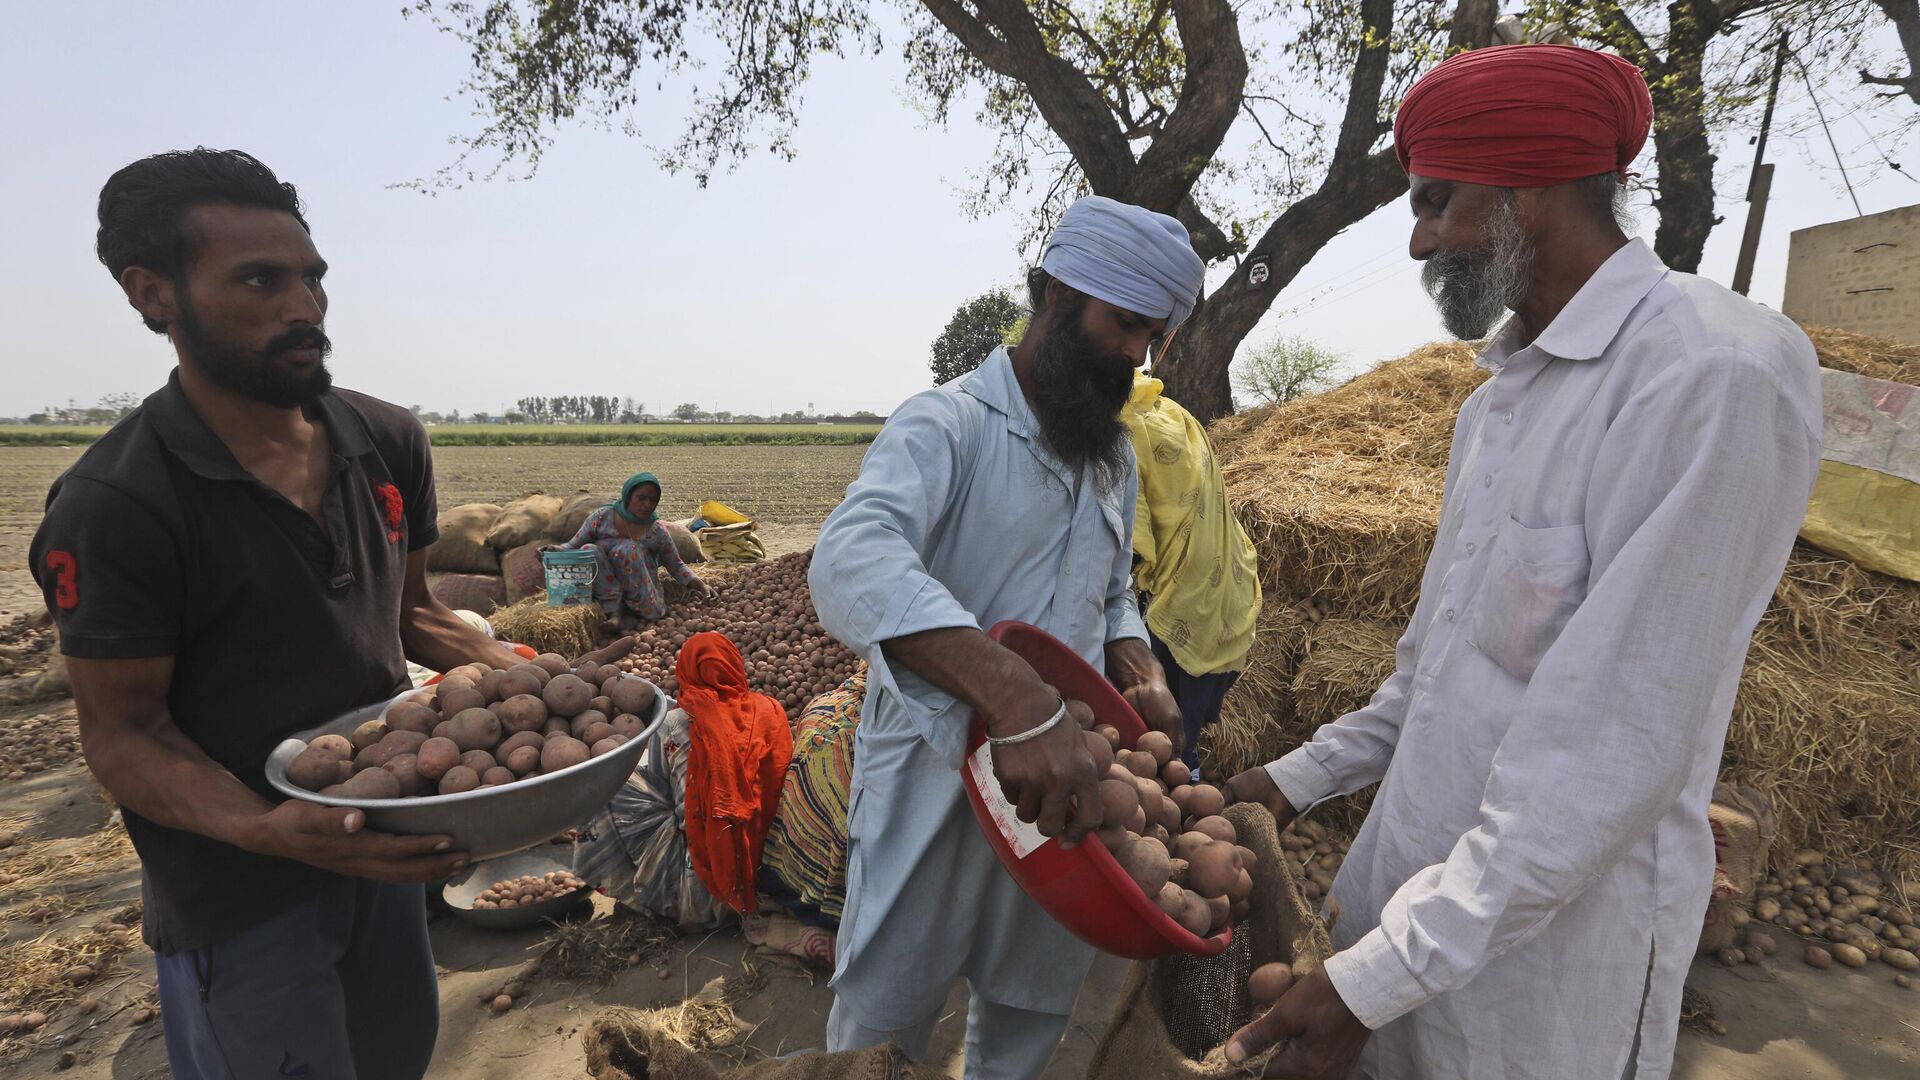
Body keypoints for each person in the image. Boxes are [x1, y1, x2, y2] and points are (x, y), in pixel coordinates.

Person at [1221, 45, 1822, 1080]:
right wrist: (1288, 779)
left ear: (1530, 189)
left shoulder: (1709, 373)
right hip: (1409, 926)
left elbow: (1611, 748)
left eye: (1434, 201)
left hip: (1538, 983)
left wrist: (1379, 977)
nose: (1418, 241)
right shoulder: (1496, 407)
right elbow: (1437, 677)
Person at [29, 148, 628, 1080]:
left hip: (386, 853)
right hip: (239, 891)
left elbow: (413, 615)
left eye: (311, 277)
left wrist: (523, 670)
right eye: (260, 281)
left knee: (397, 1057)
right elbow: (123, 735)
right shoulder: (117, 504)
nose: (303, 307)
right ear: (153, 296)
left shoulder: (386, 439)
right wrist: (267, 827)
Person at [809, 195, 1202, 1079]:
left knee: (1027, 1016)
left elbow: (1109, 599)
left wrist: (1138, 663)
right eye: (1125, 325)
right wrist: (1016, 698)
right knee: (884, 1025)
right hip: (932, 780)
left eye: (1152, 336)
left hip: (1062, 794)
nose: (1136, 355)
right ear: (1054, 297)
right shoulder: (946, 424)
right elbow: (849, 562)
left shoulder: (1110, 459)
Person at [1121, 364, 1261, 775]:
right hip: (1228, 581)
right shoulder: (1173, 412)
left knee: (1163, 737)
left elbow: (1128, 534)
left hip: (1185, 596)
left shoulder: (1124, 426)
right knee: (1181, 723)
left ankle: (1181, 792)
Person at [554, 471, 713, 638]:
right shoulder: (602, 517)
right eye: (641, 498)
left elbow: (676, 564)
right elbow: (573, 545)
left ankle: (633, 615)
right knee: (588, 550)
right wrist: (555, 550)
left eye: (653, 500)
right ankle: (615, 613)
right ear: (629, 496)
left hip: (641, 598)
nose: (647, 505)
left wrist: (701, 585)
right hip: (606, 593)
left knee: (628, 549)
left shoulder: (656, 529)